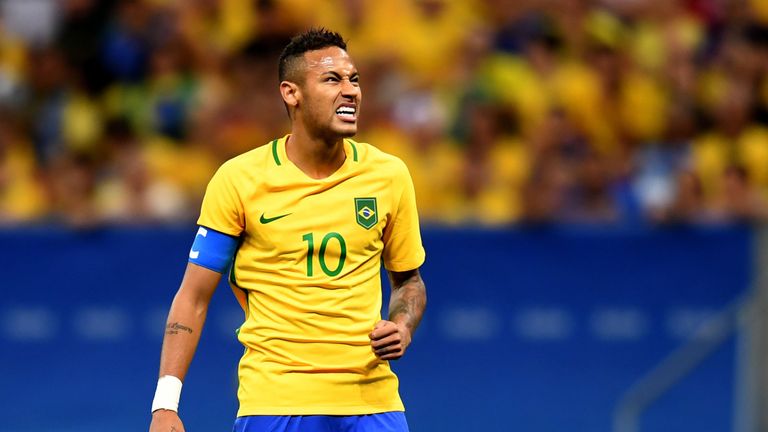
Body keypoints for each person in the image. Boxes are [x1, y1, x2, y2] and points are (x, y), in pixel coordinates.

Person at [148, 28, 427, 432]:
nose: (350, 90)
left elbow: (409, 282)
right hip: (275, 402)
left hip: (373, 401)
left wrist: (402, 325)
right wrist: (165, 405)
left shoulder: (389, 176)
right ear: (291, 93)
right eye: (332, 80)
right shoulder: (240, 180)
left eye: (354, 79)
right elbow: (192, 297)